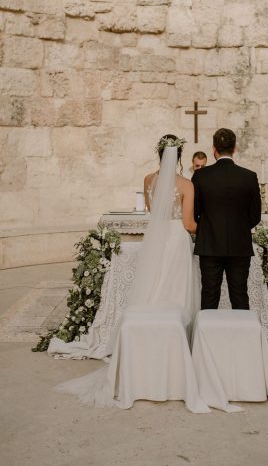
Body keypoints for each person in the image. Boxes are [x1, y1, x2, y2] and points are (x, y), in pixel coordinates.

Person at [56, 134, 207, 412]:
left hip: (156, 238)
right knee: (175, 288)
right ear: (180, 156)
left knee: (153, 288)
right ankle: (175, 351)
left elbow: (153, 211)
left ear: (159, 154)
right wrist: (206, 224)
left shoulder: (149, 180)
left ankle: (147, 345)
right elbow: (188, 223)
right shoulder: (186, 184)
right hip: (175, 240)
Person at [192, 128, 262, 310]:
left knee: (209, 295)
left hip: (210, 245)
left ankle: (207, 337)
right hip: (240, 245)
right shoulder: (249, 176)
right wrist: (238, 227)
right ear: (235, 149)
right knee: (239, 295)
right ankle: (242, 337)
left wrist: (209, 226)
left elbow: (195, 212)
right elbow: (255, 216)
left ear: (213, 149)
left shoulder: (200, 176)